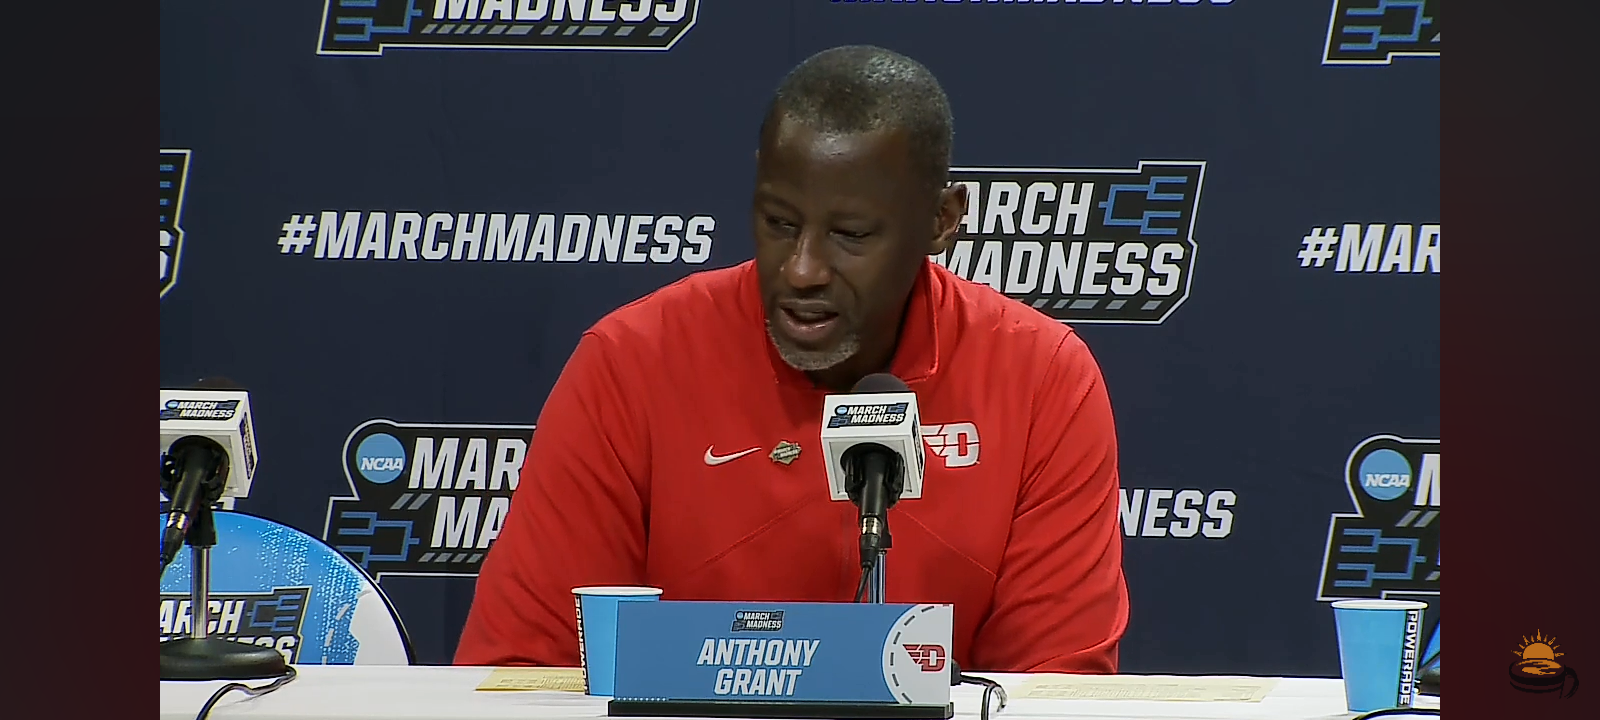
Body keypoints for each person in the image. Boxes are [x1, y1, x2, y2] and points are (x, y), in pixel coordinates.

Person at [454, 45, 1128, 674]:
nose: (801, 269)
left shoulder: (1042, 382)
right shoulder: (631, 363)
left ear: (942, 220)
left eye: (849, 234)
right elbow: (526, 671)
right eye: (779, 223)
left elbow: (1052, 693)